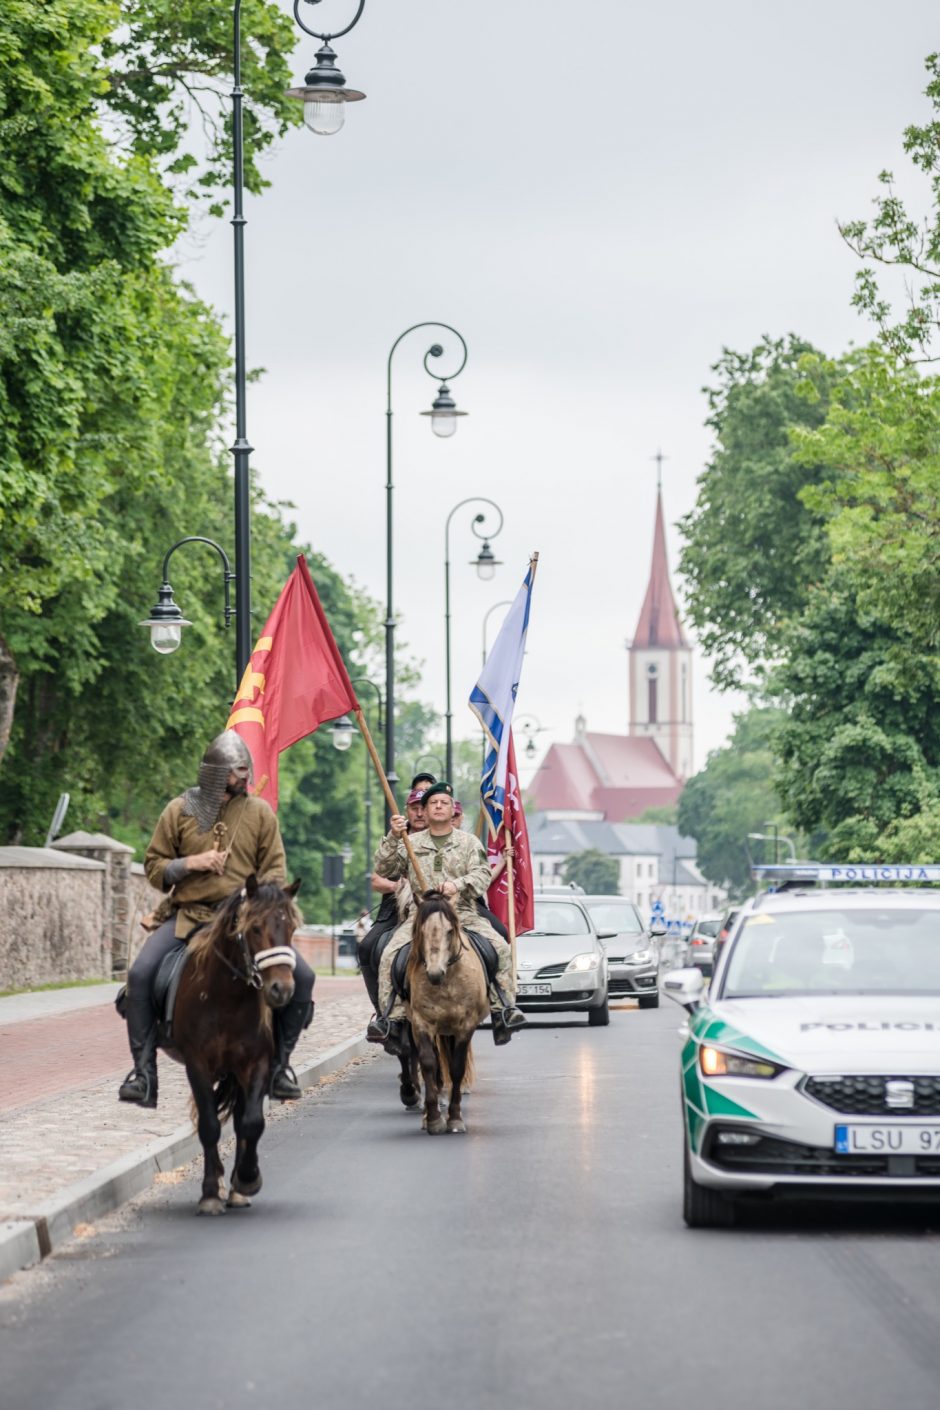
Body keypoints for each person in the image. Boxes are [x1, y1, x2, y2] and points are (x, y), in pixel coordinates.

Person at [118, 730, 314, 1108]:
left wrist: (250, 898)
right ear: (215, 772)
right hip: (190, 917)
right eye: (238, 769)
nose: (245, 775)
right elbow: (155, 868)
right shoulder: (179, 810)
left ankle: (279, 1068)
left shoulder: (260, 813)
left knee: (303, 977)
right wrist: (191, 863)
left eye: (246, 768)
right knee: (141, 974)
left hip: (245, 922)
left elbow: (274, 870)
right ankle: (143, 1073)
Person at [366, 781, 525, 1052]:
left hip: (460, 913)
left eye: (444, 803)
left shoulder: (468, 843)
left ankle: (503, 1009)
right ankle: (389, 1018)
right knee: (389, 954)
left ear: (453, 811)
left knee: (499, 947)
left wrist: (458, 885)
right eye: (432, 803)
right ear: (424, 812)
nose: (438, 807)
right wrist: (393, 836)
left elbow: (482, 874)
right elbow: (385, 868)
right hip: (420, 917)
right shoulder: (410, 842)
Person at [356, 787, 429, 1010]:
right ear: (406, 810)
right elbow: (376, 878)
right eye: (413, 808)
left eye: (422, 808)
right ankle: (382, 1010)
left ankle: (494, 1003)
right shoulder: (396, 836)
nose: (418, 813)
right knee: (368, 946)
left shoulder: (442, 832)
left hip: (439, 904)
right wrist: (399, 886)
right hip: (398, 906)